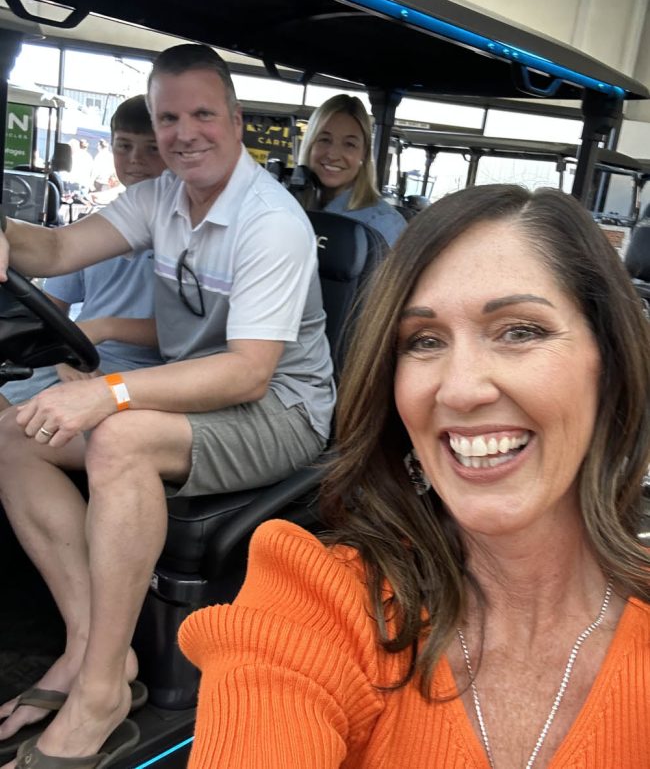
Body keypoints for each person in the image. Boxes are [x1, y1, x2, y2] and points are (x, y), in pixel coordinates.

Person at [179, 184, 650, 768]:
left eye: (520, 331)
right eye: (424, 342)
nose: (460, 390)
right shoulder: (318, 600)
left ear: (609, 363)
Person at [0, 43, 334, 768]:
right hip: (201, 394)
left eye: (202, 114)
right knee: (15, 433)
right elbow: (54, 252)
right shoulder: (162, 199)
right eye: (169, 119)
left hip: (283, 413)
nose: (185, 133)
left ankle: (99, 694)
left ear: (236, 121)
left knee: (119, 438)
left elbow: (248, 374)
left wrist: (107, 393)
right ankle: (95, 649)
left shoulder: (270, 221)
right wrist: (4, 233)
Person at [0, 96, 164, 410]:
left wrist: (103, 327)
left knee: (22, 426)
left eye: (152, 148)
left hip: (146, 370)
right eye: (124, 146)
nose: (135, 159)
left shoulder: (188, 231)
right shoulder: (93, 229)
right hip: (79, 355)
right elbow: (53, 297)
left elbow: (189, 331)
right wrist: (60, 353)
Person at [298, 94, 406, 245]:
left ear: (364, 154)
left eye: (349, 144)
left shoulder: (383, 223)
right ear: (310, 145)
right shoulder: (290, 205)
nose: (333, 155)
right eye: (325, 140)